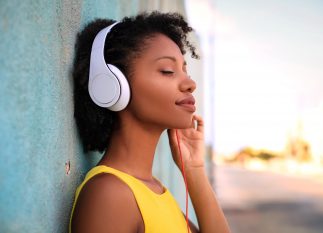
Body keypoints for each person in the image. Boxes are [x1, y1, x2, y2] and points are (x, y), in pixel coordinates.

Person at [70, 11, 230, 233]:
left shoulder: (154, 191)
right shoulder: (110, 195)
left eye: (185, 70)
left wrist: (194, 168)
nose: (190, 83)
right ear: (112, 86)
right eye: (167, 71)